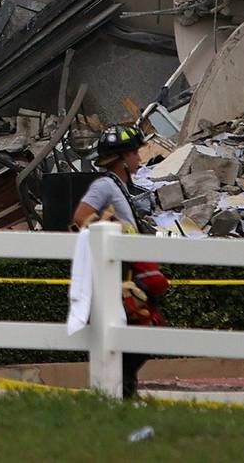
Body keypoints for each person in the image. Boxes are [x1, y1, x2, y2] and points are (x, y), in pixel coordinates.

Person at [71, 123, 167, 398]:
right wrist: (113, 231)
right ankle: (121, 391)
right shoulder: (104, 185)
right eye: (134, 152)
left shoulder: (121, 186)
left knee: (145, 331)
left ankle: (124, 390)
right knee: (141, 333)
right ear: (123, 158)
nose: (139, 157)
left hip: (130, 270)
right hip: (121, 276)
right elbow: (81, 217)